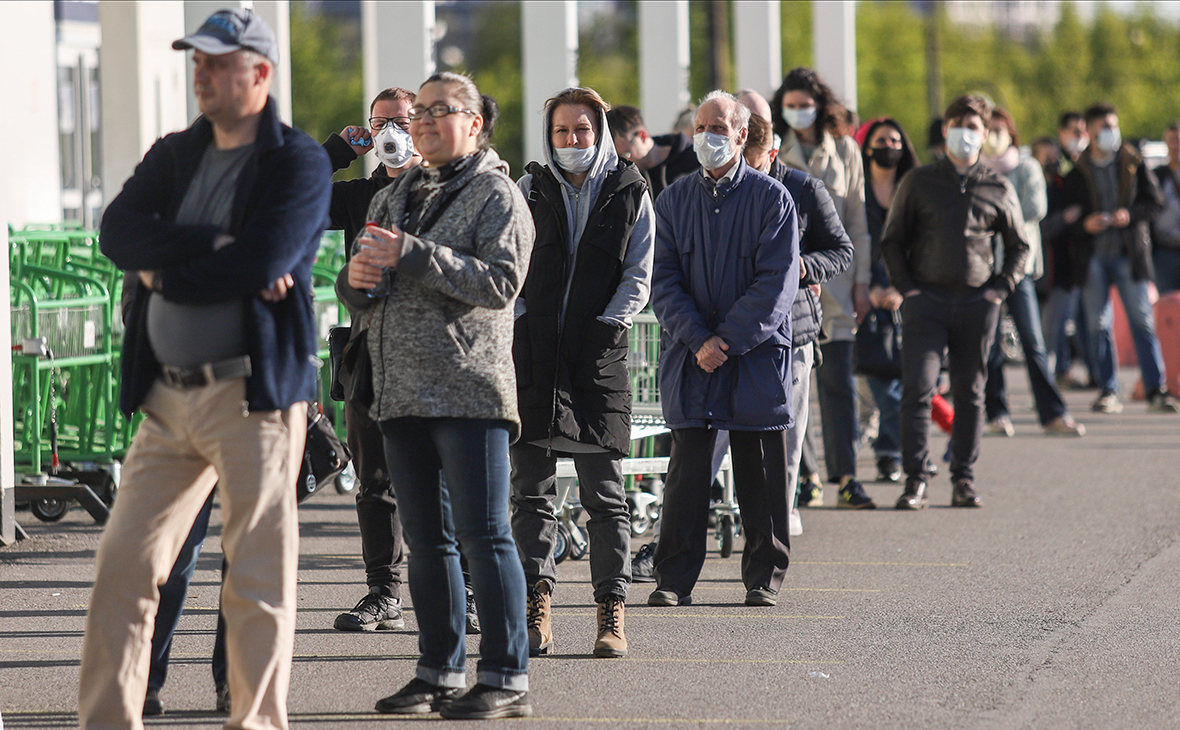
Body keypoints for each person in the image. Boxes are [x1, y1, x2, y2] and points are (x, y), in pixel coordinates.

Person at [79, 9, 331, 730]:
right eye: (197, 62)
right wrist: (208, 245)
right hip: (167, 401)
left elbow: (263, 258)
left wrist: (165, 269)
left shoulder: (298, 161)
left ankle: (254, 722)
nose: (202, 75)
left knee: (256, 583)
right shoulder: (175, 153)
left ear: (260, 71)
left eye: (217, 62)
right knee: (123, 570)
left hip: (252, 399)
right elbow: (117, 232)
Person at [341, 72, 534, 719]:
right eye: (416, 112)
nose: (420, 122)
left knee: (484, 535)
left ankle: (506, 675)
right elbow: (363, 286)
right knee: (426, 543)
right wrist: (357, 281)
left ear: (475, 123)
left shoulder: (497, 194)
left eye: (439, 111)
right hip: (398, 391)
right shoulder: (393, 196)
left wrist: (413, 255)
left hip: (468, 391)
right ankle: (438, 671)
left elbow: (502, 282)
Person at [510, 87, 653, 659]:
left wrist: (607, 325)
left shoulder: (630, 190)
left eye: (582, 130)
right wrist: (524, 322)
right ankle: (536, 603)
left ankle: (610, 610)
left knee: (606, 497)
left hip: (598, 357)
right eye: (562, 131)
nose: (572, 141)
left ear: (601, 132)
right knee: (532, 494)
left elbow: (639, 272)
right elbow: (511, 263)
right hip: (536, 356)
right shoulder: (529, 188)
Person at [646, 90, 799, 608]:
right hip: (693, 356)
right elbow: (661, 282)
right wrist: (698, 339)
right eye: (701, 128)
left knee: (758, 469)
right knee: (687, 472)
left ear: (742, 134)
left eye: (719, 128)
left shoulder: (773, 199)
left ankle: (763, 576)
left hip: (753, 355)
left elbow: (774, 285)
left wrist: (727, 341)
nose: (708, 137)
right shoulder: (671, 200)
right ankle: (673, 579)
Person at [880, 94, 1031, 510]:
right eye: (957, 125)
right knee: (919, 390)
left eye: (974, 127)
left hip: (976, 303)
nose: (965, 134)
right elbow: (891, 239)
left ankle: (963, 479)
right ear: (945, 129)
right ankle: (916, 480)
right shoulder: (919, 180)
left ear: (986, 135)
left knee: (970, 392)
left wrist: (1000, 289)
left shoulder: (996, 186)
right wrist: (906, 287)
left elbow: (1020, 245)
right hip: (925, 301)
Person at [744, 112, 853, 536]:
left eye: (753, 164)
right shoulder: (721, 188)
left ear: (773, 154)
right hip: (736, 331)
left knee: (787, 438)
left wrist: (803, 267)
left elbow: (841, 250)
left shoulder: (804, 188)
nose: (744, 173)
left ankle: (777, 525)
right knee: (713, 437)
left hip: (794, 329)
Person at [771, 67, 874, 509]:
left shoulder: (846, 149)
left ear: (820, 104)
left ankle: (847, 476)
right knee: (794, 385)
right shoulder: (774, 148)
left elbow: (857, 223)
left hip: (835, 279)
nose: (798, 111)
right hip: (789, 285)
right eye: (790, 104)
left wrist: (864, 282)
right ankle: (807, 474)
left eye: (804, 103)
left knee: (838, 383)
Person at [1064, 102, 1178, 414]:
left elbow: (1153, 204)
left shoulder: (1133, 163)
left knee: (1142, 321)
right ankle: (1108, 389)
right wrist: (1083, 223)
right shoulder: (1077, 171)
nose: (1111, 132)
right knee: (1099, 325)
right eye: (1103, 126)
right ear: (1090, 131)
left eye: (1113, 125)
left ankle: (1156, 389)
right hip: (1094, 259)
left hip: (1129, 255)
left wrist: (1131, 215)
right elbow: (1067, 218)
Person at [979, 108, 1086, 437]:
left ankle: (1053, 413)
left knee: (1033, 342)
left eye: (1001, 129)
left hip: (1018, 269)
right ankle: (996, 414)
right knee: (990, 345)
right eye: (990, 129)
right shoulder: (975, 169)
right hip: (984, 268)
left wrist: (993, 216)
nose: (995, 135)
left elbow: (1034, 208)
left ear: (1011, 133)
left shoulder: (1026, 167)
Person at [860, 117, 921, 484]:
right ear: (868, 146)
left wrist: (901, 287)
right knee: (879, 373)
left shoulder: (912, 186)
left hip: (906, 293)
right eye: (882, 139)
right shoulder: (856, 189)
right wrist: (866, 289)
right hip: (864, 295)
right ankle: (901, 451)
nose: (889, 145)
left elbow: (922, 242)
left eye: (896, 139)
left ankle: (889, 452)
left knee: (901, 376)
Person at [1041, 111, 1098, 390]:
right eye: (1074, 131)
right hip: (1058, 262)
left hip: (1084, 256)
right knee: (1055, 326)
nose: (1080, 136)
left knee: (1088, 322)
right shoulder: (1056, 172)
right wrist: (1066, 217)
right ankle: (1051, 380)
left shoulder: (1089, 165)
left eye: (1083, 131)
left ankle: (1094, 373)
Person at [606, 105, 700, 199]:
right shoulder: (627, 182)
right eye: (618, 159)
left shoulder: (697, 159)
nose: (622, 163)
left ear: (643, 136)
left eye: (626, 154)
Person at [1151, 121, 1180, 295]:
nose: (1175, 145)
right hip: (1164, 251)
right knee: (1168, 306)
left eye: (1178, 139)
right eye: (1171, 140)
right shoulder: (1156, 176)